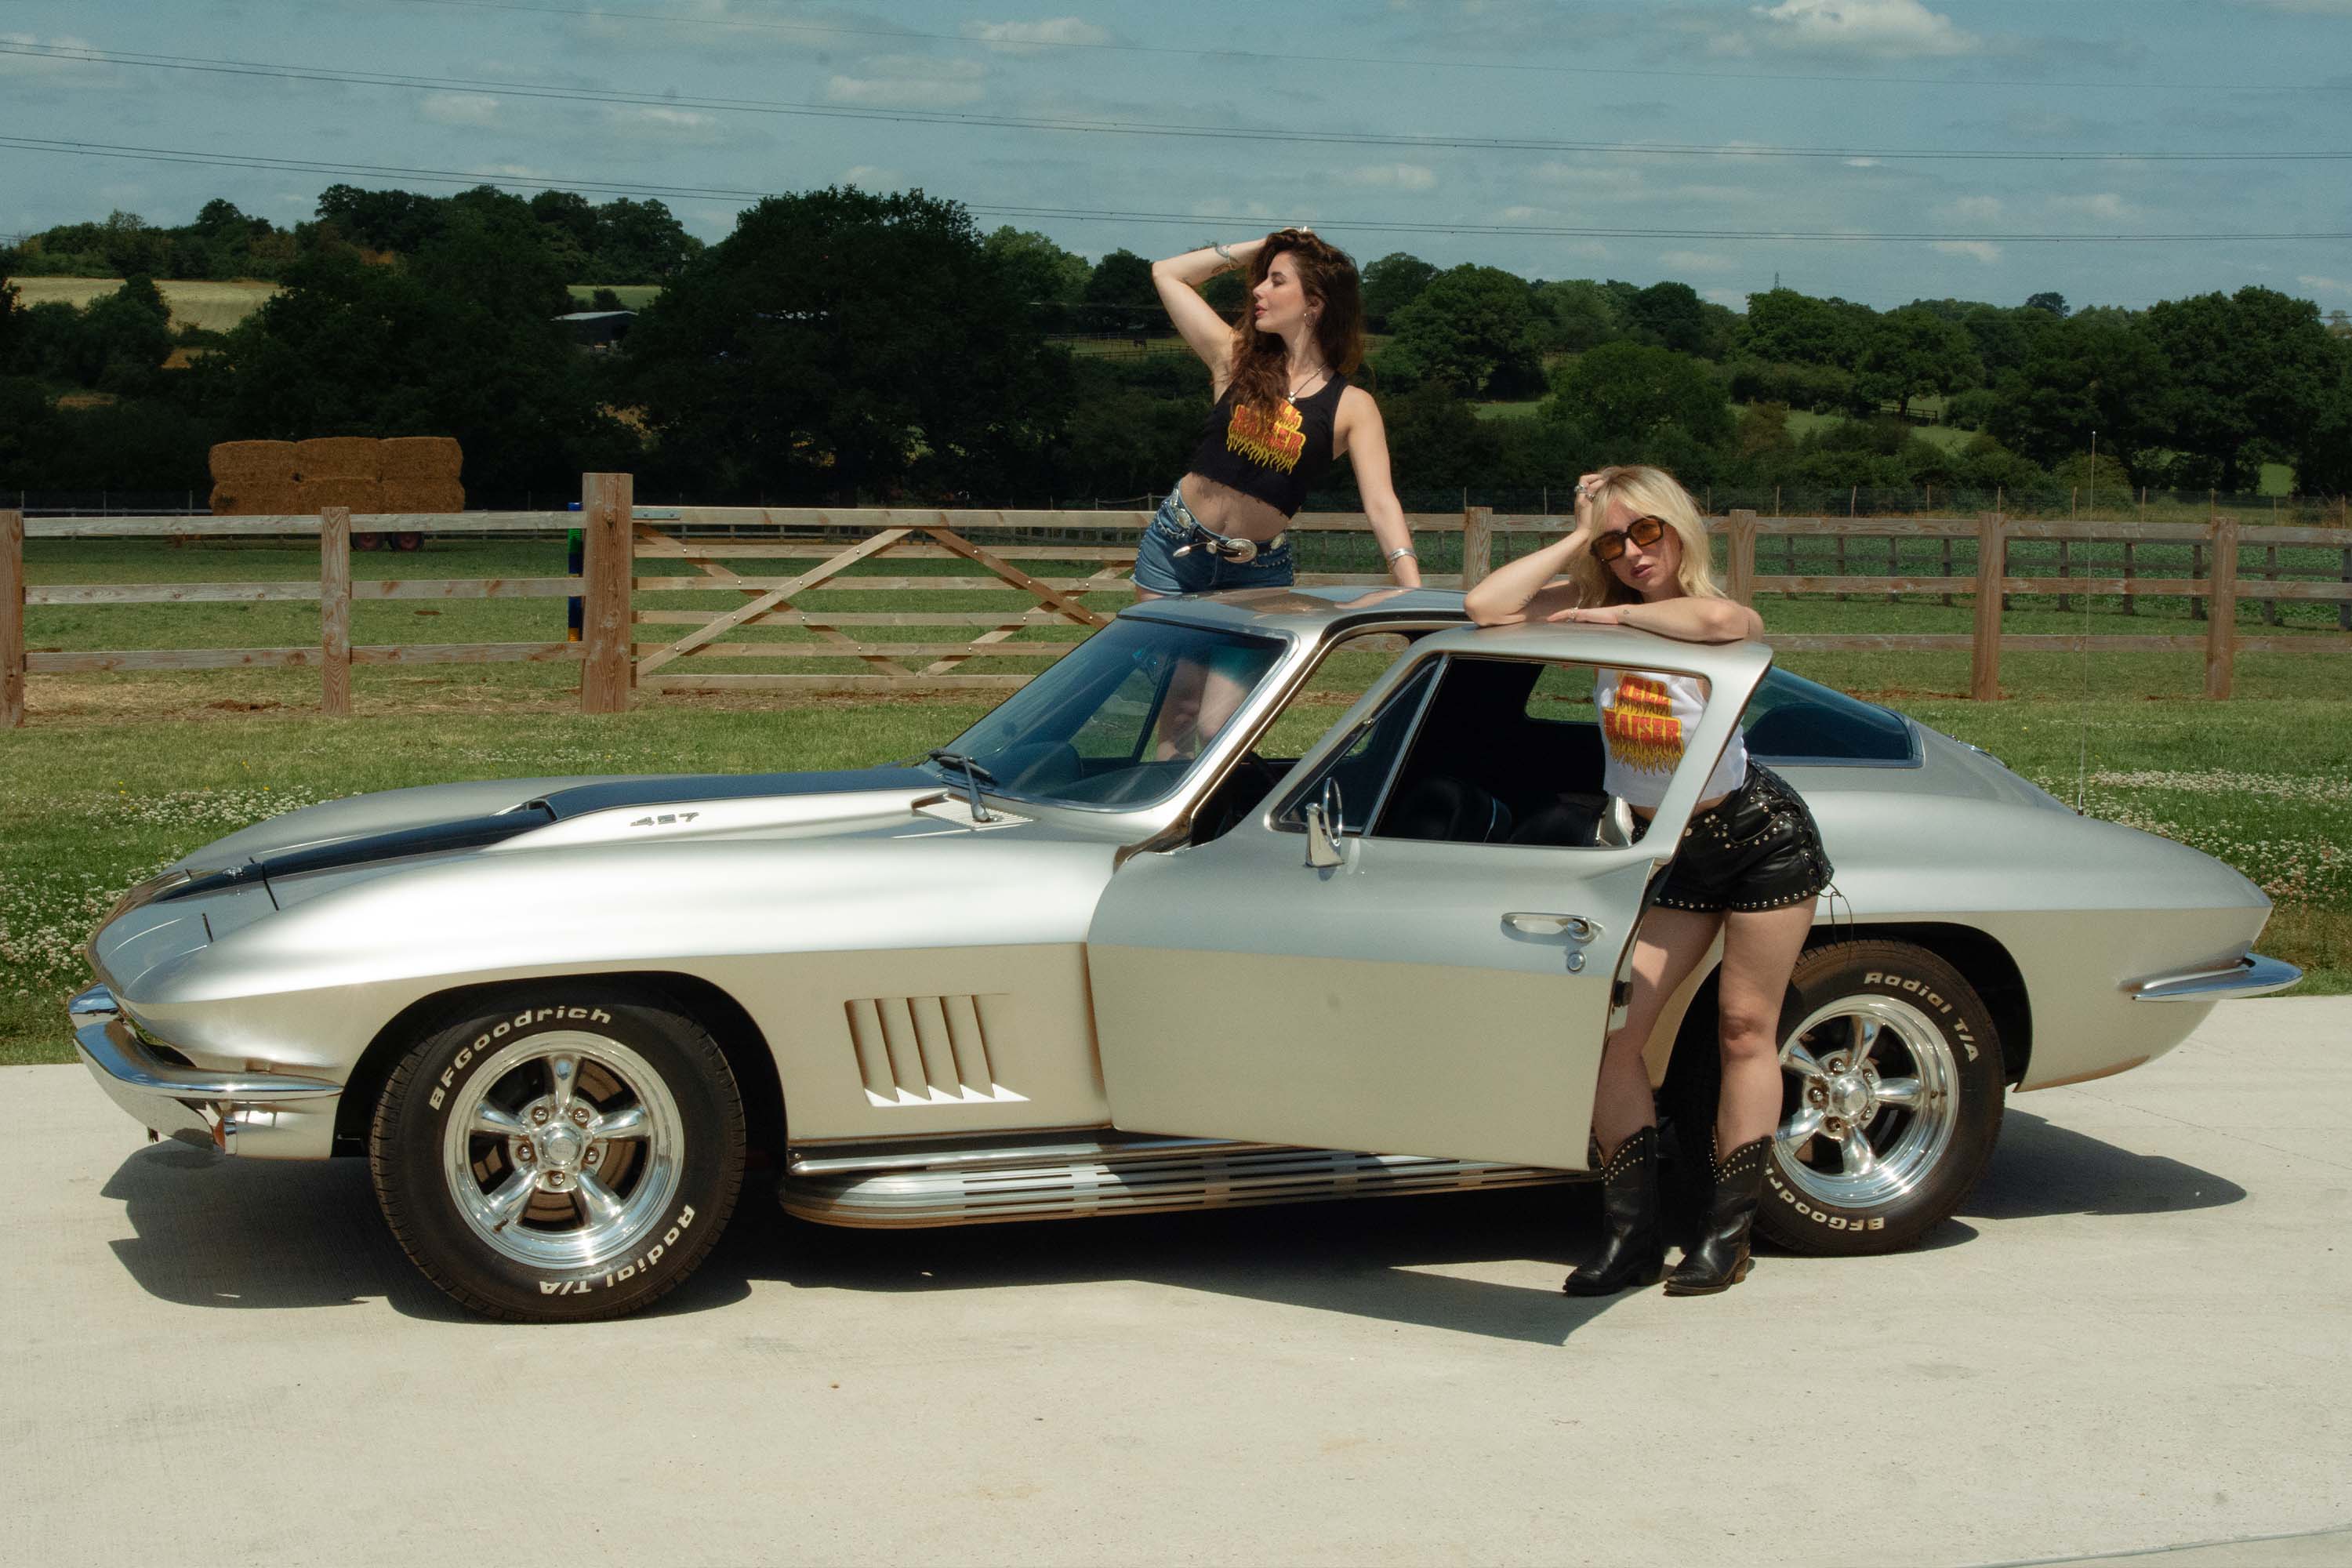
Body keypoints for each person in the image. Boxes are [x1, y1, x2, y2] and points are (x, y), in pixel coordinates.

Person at [1464, 465, 1833, 1298]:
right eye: (1615, 541)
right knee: (1618, 1036)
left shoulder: (1704, 610)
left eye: (1647, 533)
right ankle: (1630, 1239)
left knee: (1745, 1026)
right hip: (1669, 853)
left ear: (1677, 529)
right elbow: (1485, 608)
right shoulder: (1587, 596)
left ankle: (1725, 1237)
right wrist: (1577, 531)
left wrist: (1615, 611)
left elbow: (1721, 617)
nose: (1632, 553)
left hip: (1759, 838)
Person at [1138, 228, 1423, 601]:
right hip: (1176, 551)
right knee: (1167, 662)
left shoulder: (1353, 406)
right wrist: (1266, 246)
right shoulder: (1235, 358)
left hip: (1258, 571)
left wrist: (1411, 586)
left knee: (1228, 665)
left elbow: (1382, 503)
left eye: (1276, 281)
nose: (1259, 289)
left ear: (1314, 304)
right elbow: (1166, 273)